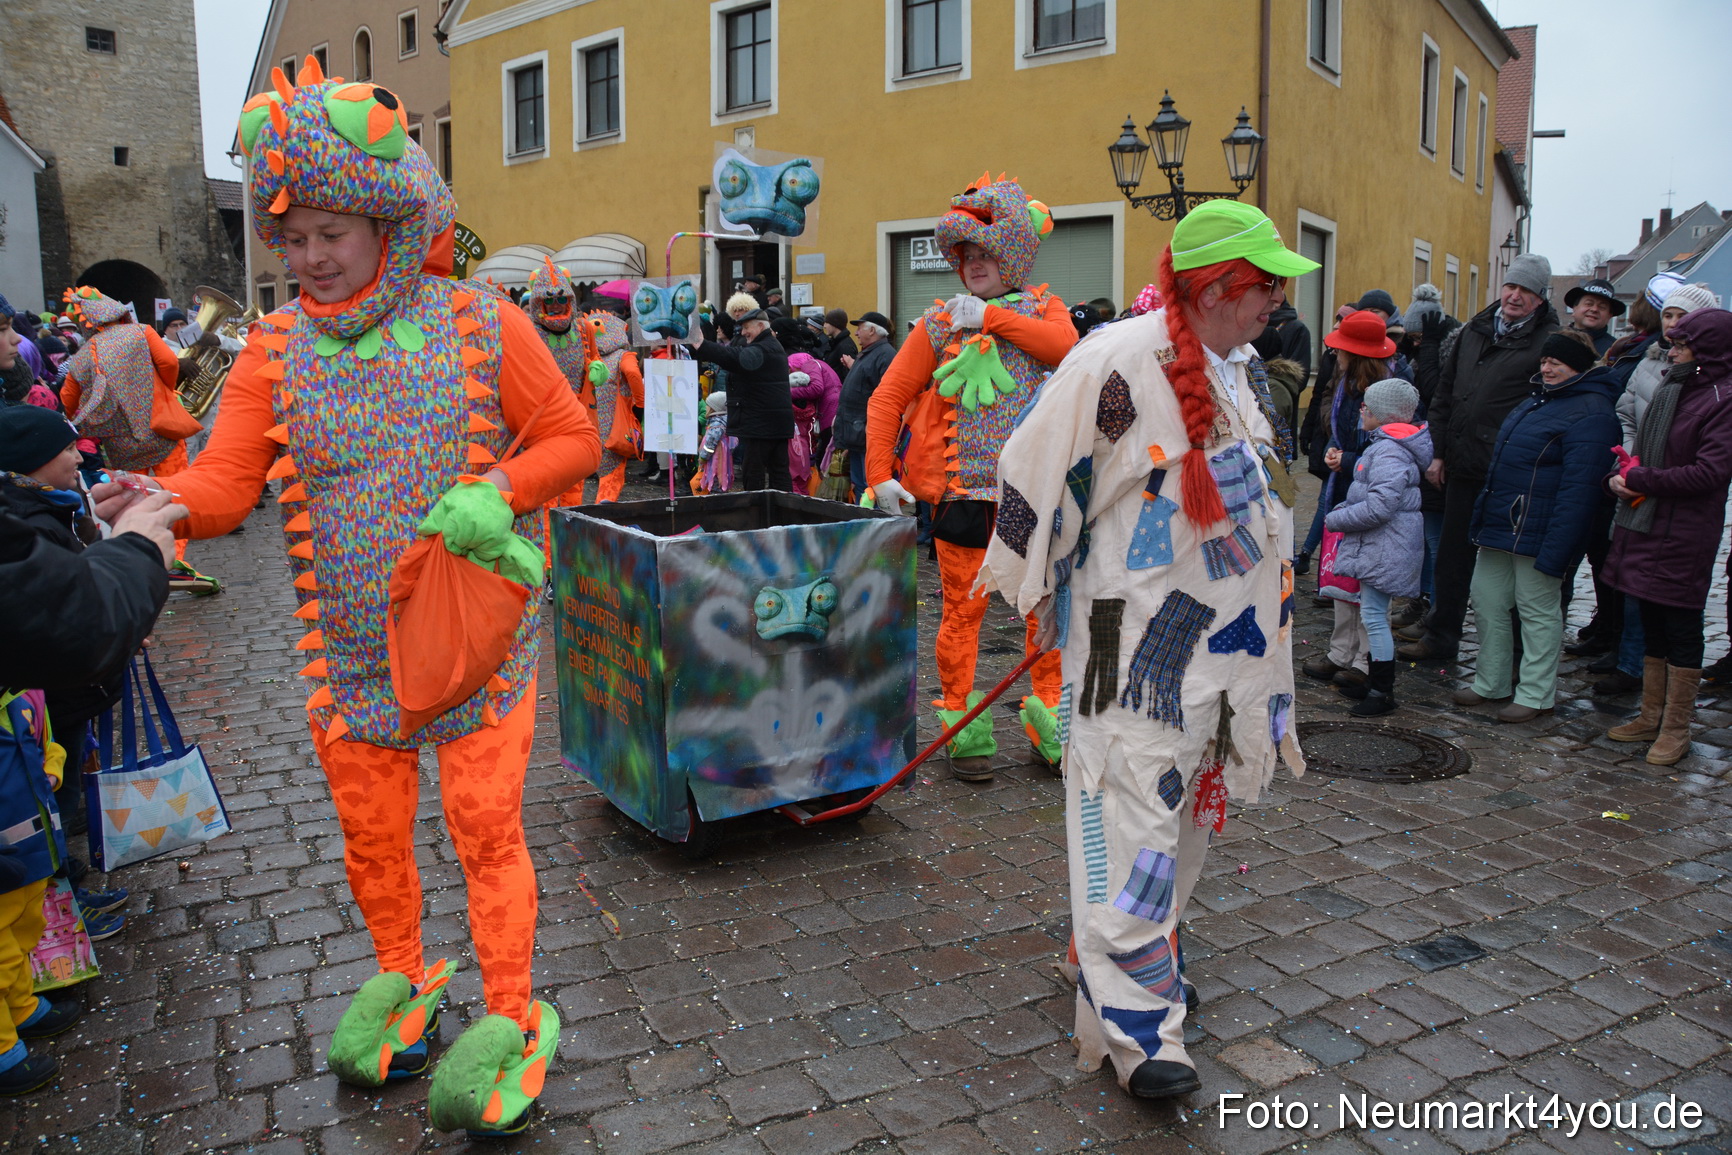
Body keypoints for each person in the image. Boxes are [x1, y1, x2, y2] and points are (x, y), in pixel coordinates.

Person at [92, 58, 599, 1135]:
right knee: (371, 836)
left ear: (384, 218)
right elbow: (229, 482)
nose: (311, 258)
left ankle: (509, 1012)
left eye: (332, 232)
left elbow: (572, 439)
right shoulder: (274, 346)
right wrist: (165, 498)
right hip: (350, 653)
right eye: (294, 237)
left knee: (482, 829)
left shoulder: (480, 321)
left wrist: (498, 490)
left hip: (473, 640)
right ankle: (404, 978)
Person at [982, 198, 1311, 1102]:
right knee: (1127, 821)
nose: (1276, 303)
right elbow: (1031, 466)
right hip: (1131, 655)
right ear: (1215, 285)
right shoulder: (1115, 357)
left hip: (1226, 659)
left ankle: (1140, 958)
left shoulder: (1237, 369)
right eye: (1263, 286)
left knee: (1185, 823)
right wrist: (1036, 584)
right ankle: (1137, 1029)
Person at [864, 174, 1075, 779]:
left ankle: (1050, 715)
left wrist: (992, 318)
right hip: (964, 497)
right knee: (963, 611)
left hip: (1038, 493)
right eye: (966, 257)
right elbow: (888, 397)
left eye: (985, 253)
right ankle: (962, 722)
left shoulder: (1044, 309)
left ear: (1013, 251)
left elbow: (1064, 347)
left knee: (1045, 609)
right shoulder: (939, 323)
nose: (974, 266)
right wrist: (880, 473)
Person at [1398, 253, 1560, 662]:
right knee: (1452, 558)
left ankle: (1511, 655)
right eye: (1511, 286)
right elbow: (1445, 394)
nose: (1515, 296)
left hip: (1510, 472)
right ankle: (1442, 636)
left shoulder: (1548, 341)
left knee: (1506, 568)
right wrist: (1437, 453)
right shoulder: (1477, 329)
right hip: (1461, 464)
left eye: (1526, 290)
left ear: (1540, 298)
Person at [1452, 330, 1619, 722]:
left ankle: (1536, 693)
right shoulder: (1536, 401)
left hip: (1540, 531)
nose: (1546, 367)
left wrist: (1560, 548)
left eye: (1556, 362)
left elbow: (1580, 493)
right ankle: (1490, 682)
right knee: (1488, 601)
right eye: (1544, 361)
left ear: (1577, 366)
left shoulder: (1594, 413)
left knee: (1537, 611)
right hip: (1502, 526)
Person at [1603, 308, 1732, 765]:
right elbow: (1645, 449)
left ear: (1707, 351)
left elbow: (1711, 472)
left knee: (1680, 623)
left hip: (1685, 530)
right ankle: (1650, 714)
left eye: (1681, 344)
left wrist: (1644, 482)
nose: (1671, 349)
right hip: (1649, 520)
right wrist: (1624, 476)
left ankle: (1675, 727)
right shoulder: (1677, 386)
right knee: (1651, 616)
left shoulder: (1722, 397)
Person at [58, 287, 217, 591]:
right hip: (163, 430)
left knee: (131, 501)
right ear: (119, 312)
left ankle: (143, 557)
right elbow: (170, 365)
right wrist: (164, 392)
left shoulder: (81, 358)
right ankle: (175, 561)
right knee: (176, 492)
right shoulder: (141, 332)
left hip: (120, 444)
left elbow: (68, 401)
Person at [1297, 310, 1399, 691]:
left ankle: (1365, 658)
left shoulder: (1385, 391)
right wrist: (1332, 453)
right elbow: (1338, 426)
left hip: (1369, 493)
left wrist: (1350, 459)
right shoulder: (1343, 382)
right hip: (1344, 487)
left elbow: (1390, 449)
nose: (1334, 353)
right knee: (1339, 570)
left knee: (1367, 578)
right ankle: (1342, 650)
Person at [1322, 379, 1429, 716]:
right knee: (1372, 615)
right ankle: (1375, 683)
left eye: (1367, 406)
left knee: (1374, 618)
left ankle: (1382, 690)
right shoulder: (1385, 446)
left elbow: (1380, 506)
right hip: (1382, 545)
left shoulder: (1389, 451)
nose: (1361, 410)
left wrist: (1337, 517)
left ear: (1382, 414)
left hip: (1386, 546)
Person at [1396, 284, 1459, 625]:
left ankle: (1435, 608)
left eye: (1420, 338)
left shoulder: (1444, 351)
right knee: (1423, 539)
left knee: (1436, 542)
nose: (1415, 344)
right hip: (1423, 453)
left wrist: (1430, 348)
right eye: (1414, 339)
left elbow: (1436, 394)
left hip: (1439, 457)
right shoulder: (1418, 354)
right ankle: (1423, 601)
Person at [691, 295, 793, 490]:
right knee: (779, 472)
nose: (743, 332)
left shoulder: (763, 348)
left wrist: (702, 345)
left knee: (753, 473)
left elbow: (734, 357)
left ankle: (756, 513)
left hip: (762, 423)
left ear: (761, 327)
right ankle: (782, 516)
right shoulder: (769, 345)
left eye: (747, 327)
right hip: (773, 421)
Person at [1563, 278, 1624, 357]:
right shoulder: (1554, 341)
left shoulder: (1615, 351)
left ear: (1610, 315)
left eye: (1602, 307)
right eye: (1589, 304)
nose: (1594, 309)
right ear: (1574, 308)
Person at [820, 308, 855, 384]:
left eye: (827, 323)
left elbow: (848, 375)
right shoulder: (834, 343)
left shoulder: (845, 346)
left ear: (835, 324)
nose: (824, 326)